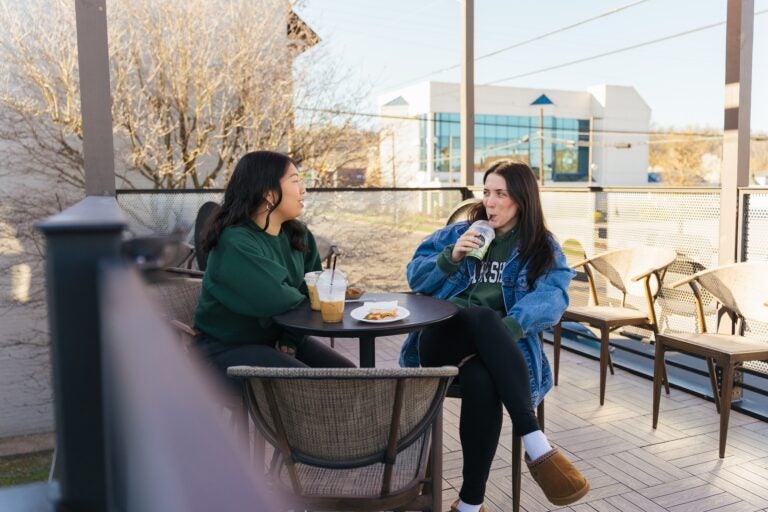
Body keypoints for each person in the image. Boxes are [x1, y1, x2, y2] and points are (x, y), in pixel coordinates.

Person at [399, 161, 589, 511]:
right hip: (442, 338)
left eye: (501, 194)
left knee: (482, 379)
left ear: (521, 199)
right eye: (487, 192)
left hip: (492, 352)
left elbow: (556, 296)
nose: (491, 202)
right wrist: (451, 256)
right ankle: (534, 439)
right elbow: (415, 277)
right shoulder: (459, 233)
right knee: (483, 317)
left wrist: (513, 326)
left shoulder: (540, 245)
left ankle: (470, 505)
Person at [193, 150, 355, 382]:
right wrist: (305, 296)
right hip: (223, 349)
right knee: (315, 391)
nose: (303, 190)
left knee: (351, 378)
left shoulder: (298, 235)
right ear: (269, 193)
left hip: (275, 339)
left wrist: (291, 339)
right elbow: (275, 297)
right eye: (296, 181)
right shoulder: (236, 241)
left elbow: (313, 293)